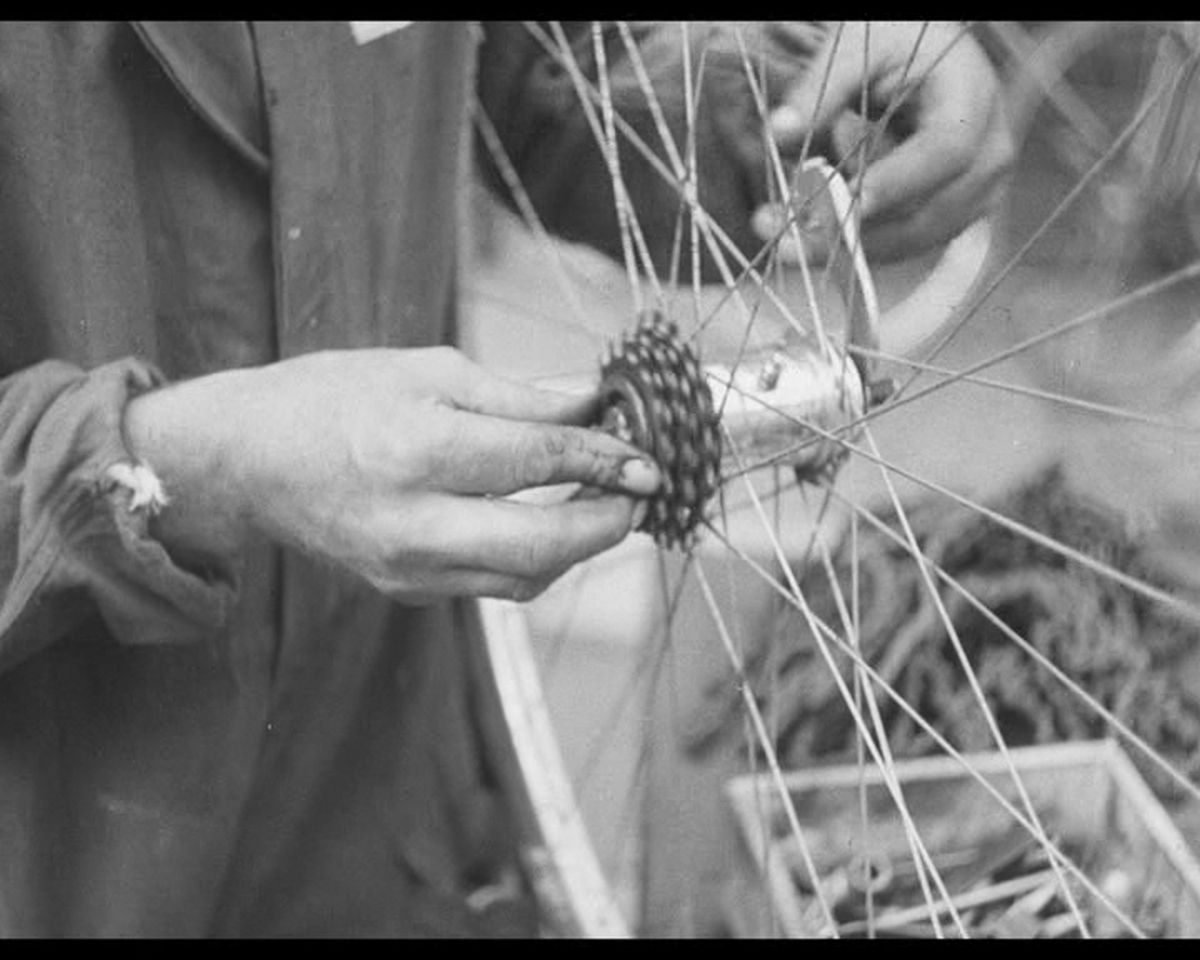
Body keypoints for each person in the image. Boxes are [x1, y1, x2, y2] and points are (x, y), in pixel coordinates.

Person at [0, 21, 1009, 936]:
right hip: (61, 833)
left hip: (375, 762)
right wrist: (182, 462)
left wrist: (802, 120)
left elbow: (540, 66)